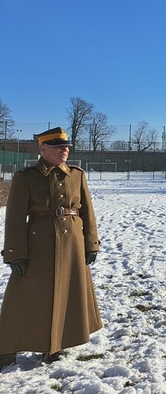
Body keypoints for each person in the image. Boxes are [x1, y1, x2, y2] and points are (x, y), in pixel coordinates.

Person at [0, 127, 102, 369]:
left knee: (67, 293)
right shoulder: (26, 177)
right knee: (24, 294)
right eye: (57, 147)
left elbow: (87, 211)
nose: (64, 150)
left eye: (66, 146)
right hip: (39, 244)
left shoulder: (77, 175)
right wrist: (16, 253)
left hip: (73, 244)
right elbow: (14, 218)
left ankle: (55, 345)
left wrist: (91, 242)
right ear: (43, 149)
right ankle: (6, 347)